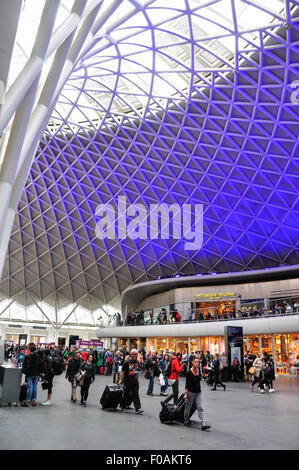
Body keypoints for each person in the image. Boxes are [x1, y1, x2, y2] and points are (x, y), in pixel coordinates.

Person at [184, 357, 210, 431]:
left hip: (198, 392)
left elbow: (200, 379)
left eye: (198, 362)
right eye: (196, 362)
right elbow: (187, 384)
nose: (197, 363)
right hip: (190, 392)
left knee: (200, 407)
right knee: (188, 407)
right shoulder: (189, 372)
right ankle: (186, 420)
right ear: (192, 363)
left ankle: (203, 424)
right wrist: (186, 393)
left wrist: (204, 377)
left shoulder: (199, 370)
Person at [118, 348, 143, 414]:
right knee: (126, 394)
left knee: (135, 394)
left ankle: (137, 408)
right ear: (131, 354)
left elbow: (137, 371)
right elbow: (122, 371)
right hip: (127, 381)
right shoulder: (126, 362)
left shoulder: (137, 361)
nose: (135, 355)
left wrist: (138, 379)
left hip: (135, 382)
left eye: (136, 354)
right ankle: (122, 406)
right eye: (134, 354)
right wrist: (120, 380)